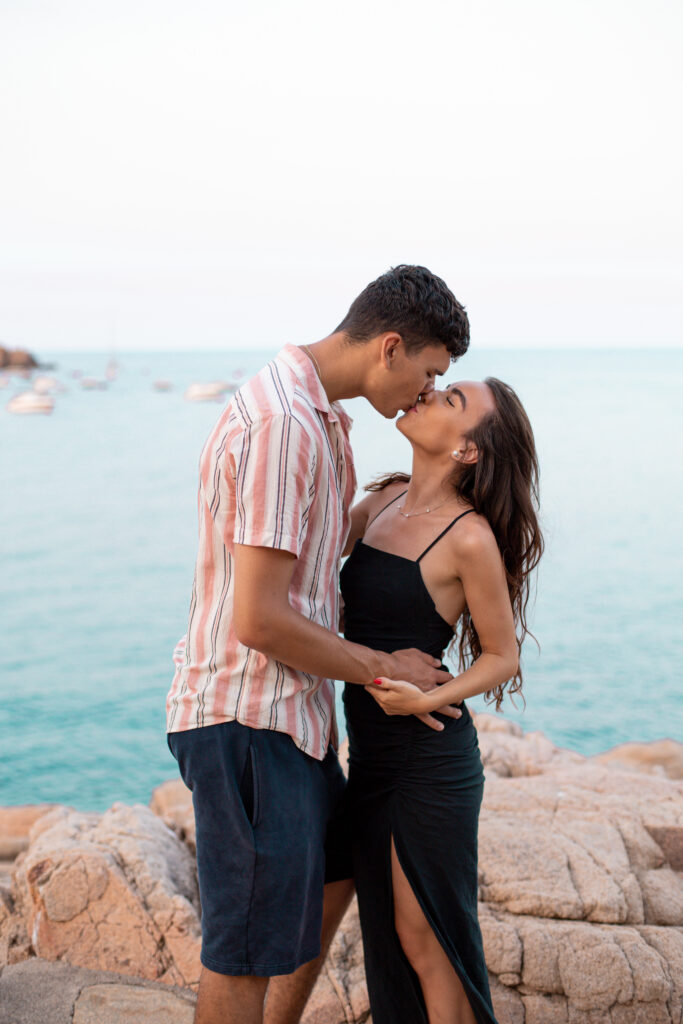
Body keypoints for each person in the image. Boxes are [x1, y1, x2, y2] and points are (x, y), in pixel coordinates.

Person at [165, 265, 471, 1024]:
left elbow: (311, 576)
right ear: (390, 347)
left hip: (291, 722)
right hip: (247, 717)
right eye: (429, 373)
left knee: (337, 873)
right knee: (244, 954)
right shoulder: (286, 426)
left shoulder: (320, 419)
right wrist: (381, 668)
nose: (426, 393)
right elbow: (260, 620)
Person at [339, 377, 544, 1024]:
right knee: (391, 935)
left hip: (427, 760)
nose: (427, 395)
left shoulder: (468, 538)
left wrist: (424, 697)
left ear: (468, 451)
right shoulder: (383, 499)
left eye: (450, 401)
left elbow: (500, 655)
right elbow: (312, 565)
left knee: (426, 939)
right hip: (369, 755)